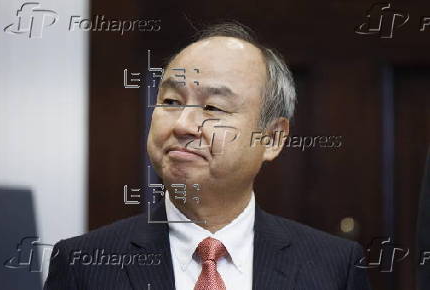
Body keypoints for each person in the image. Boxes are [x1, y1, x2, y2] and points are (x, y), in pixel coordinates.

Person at [44, 22, 372, 290]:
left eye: (213, 107)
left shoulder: (334, 267)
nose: (184, 125)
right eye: (171, 102)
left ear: (272, 138)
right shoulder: (83, 264)